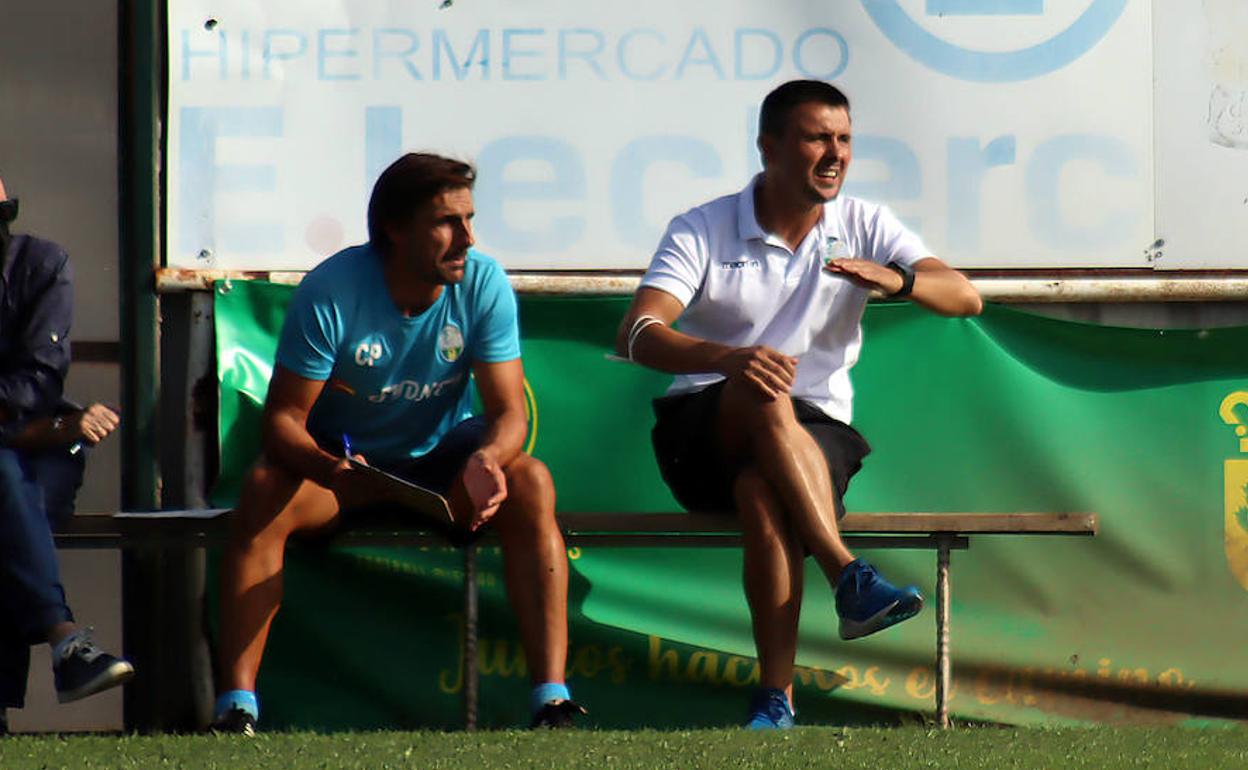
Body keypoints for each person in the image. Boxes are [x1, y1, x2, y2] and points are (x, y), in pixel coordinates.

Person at [616, 80, 983, 729]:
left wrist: (898, 279)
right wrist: (727, 358)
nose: (834, 153)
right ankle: (846, 574)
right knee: (763, 390)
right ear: (770, 148)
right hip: (702, 426)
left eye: (843, 139)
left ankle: (775, 699)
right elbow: (639, 333)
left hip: (814, 435)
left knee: (763, 493)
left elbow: (964, 297)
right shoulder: (703, 226)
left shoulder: (864, 223)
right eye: (817, 138)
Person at [211, 153, 583, 734]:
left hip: (442, 467)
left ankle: (552, 702)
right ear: (394, 228)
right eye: (447, 222)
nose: (467, 238)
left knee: (532, 481)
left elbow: (508, 411)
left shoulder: (482, 280)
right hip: (345, 469)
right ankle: (236, 708)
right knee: (263, 488)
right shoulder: (333, 289)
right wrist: (331, 468)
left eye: (469, 219)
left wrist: (488, 458)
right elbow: (283, 421)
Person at [0, 177, 131, 735]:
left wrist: (49, 428)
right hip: (37, 440)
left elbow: (37, 382)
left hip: (40, 450)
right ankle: (64, 640)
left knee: (6, 501)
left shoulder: (41, 263)